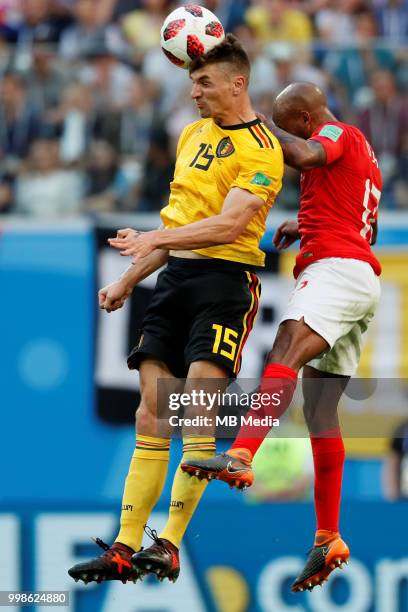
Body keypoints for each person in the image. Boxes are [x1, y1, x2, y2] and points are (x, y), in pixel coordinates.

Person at [68, 35, 283, 585]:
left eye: (204, 82)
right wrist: (127, 278)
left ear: (238, 83)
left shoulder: (262, 148)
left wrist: (152, 239)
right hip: (175, 280)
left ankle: (169, 543)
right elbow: (173, 231)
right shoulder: (191, 135)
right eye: (191, 81)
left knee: (195, 409)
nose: (193, 92)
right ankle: (123, 547)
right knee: (149, 414)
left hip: (226, 281)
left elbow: (231, 225)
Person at [182, 82, 382, 593]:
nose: (279, 134)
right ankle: (328, 535)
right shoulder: (365, 156)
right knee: (319, 410)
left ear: (301, 116)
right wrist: (305, 224)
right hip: (357, 272)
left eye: (282, 122)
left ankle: (243, 452)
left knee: (284, 348)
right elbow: (357, 220)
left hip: (336, 270)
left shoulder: (337, 131)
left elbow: (306, 153)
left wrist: (251, 121)